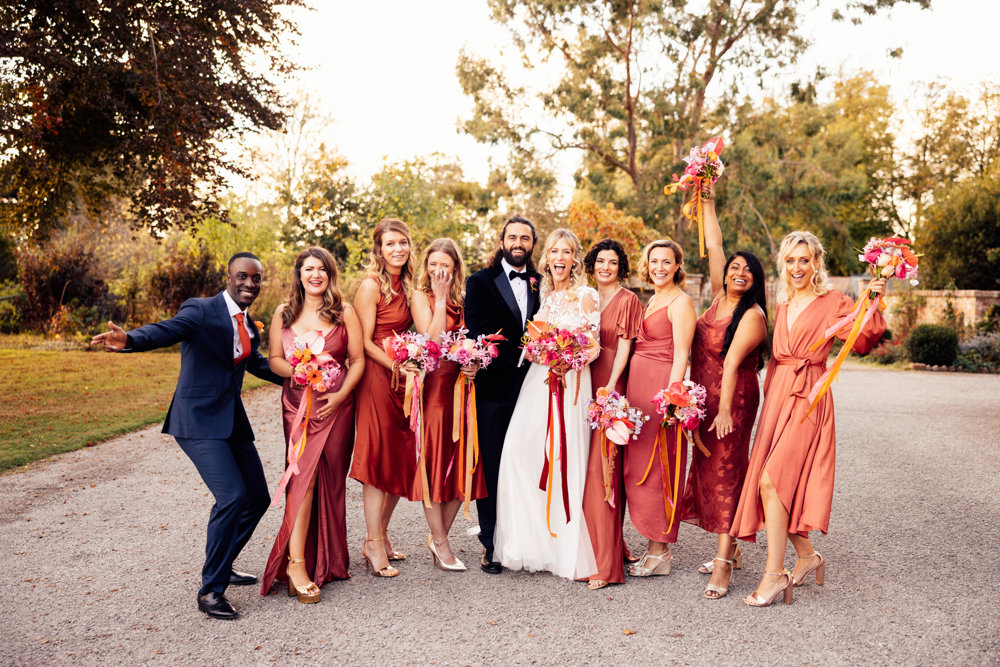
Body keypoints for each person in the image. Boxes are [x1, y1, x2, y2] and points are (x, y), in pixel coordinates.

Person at [91, 252, 283, 620]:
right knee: (232, 496)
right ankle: (211, 590)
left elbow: (255, 362)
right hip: (196, 421)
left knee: (257, 498)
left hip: (231, 422)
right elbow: (167, 329)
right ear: (228, 278)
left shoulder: (249, 324)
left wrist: (300, 376)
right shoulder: (201, 309)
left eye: (256, 279)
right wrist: (130, 339)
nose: (249, 284)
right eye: (242, 276)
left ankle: (223, 562)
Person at [730, 231, 886, 607]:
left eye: (805, 260)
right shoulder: (782, 304)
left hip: (808, 398)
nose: (797, 267)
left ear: (817, 262)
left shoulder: (833, 301)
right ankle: (807, 557)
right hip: (778, 394)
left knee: (771, 481)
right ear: (783, 264)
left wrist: (874, 300)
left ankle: (773, 576)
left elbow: (863, 337)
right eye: (791, 260)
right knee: (781, 485)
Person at [493, 228, 600, 580]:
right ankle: (530, 542)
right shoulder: (547, 297)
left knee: (562, 459)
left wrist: (568, 360)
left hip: (569, 384)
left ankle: (562, 548)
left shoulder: (586, 295)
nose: (559, 257)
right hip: (538, 383)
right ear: (547, 257)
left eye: (566, 251)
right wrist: (542, 351)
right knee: (517, 452)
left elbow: (594, 346)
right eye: (554, 251)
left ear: (575, 258)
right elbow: (535, 340)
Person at [259, 247, 365, 602]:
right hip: (298, 407)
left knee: (331, 481)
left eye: (321, 269)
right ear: (299, 274)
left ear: (330, 274)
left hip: (336, 406)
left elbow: (357, 360)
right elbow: (274, 360)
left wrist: (339, 396)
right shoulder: (283, 313)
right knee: (302, 480)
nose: (315, 275)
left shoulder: (345, 312)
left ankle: (328, 560)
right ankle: (296, 562)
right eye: (308, 269)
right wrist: (298, 370)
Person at [679, 190, 768, 599]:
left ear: (756, 280)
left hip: (732, 402)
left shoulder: (752, 315)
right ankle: (729, 547)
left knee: (727, 475)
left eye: (747, 270)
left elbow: (731, 363)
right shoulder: (718, 297)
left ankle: (723, 564)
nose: (738, 273)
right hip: (707, 398)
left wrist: (726, 410)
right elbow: (713, 244)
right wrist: (707, 200)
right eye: (735, 267)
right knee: (707, 470)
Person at [464, 215, 541, 574]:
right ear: (502, 241)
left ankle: (525, 538)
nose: (518, 242)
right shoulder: (479, 282)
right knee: (493, 465)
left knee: (526, 462)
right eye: (512, 236)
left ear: (532, 244)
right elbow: (479, 332)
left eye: (525, 237)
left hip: (534, 390)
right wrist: (523, 358)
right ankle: (491, 544)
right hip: (494, 389)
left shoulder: (543, 284)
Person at [409, 238, 486, 571]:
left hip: (463, 389)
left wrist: (475, 363)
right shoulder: (420, 297)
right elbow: (432, 341)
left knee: (463, 466)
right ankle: (441, 543)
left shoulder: (466, 300)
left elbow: (472, 341)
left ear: (456, 267)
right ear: (426, 266)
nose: (439, 270)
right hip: (435, 392)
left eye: (446, 265)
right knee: (433, 467)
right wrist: (439, 300)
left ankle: (438, 536)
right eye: (433, 264)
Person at [623, 239, 697, 577]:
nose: (660, 268)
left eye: (667, 262)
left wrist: (671, 398)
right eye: (654, 261)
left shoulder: (681, 303)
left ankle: (660, 552)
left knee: (659, 469)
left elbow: (682, 353)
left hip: (659, 395)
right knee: (639, 468)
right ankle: (655, 545)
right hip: (638, 392)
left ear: (677, 265)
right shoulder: (653, 299)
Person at [350, 219, 416, 577]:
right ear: (379, 249)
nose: (397, 249)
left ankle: (382, 533)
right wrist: (394, 364)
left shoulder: (406, 285)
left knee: (400, 457)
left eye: (402, 242)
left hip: (401, 378)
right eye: (390, 243)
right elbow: (362, 342)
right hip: (378, 378)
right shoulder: (371, 286)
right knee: (377, 461)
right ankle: (373, 543)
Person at [579, 239, 643, 590]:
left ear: (621, 267)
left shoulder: (629, 300)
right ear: (592, 264)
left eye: (613, 262)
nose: (606, 266)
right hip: (580, 388)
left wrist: (611, 388)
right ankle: (608, 547)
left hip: (608, 390)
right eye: (600, 260)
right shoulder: (584, 296)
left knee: (603, 473)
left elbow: (625, 349)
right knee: (583, 471)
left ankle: (604, 565)